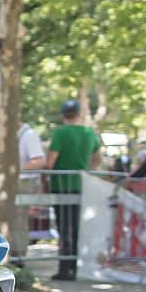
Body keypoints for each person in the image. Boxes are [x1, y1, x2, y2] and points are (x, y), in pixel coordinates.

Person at [45, 100, 102, 280]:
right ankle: (76, 267)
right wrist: (88, 172)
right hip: (82, 186)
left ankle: (65, 268)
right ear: (79, 114)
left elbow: (50, 163)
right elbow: (98, 158)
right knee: (77, 228)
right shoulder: (89, 133)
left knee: (64, 228)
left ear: (63, 115)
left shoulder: (61, 133)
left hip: (61, 186)